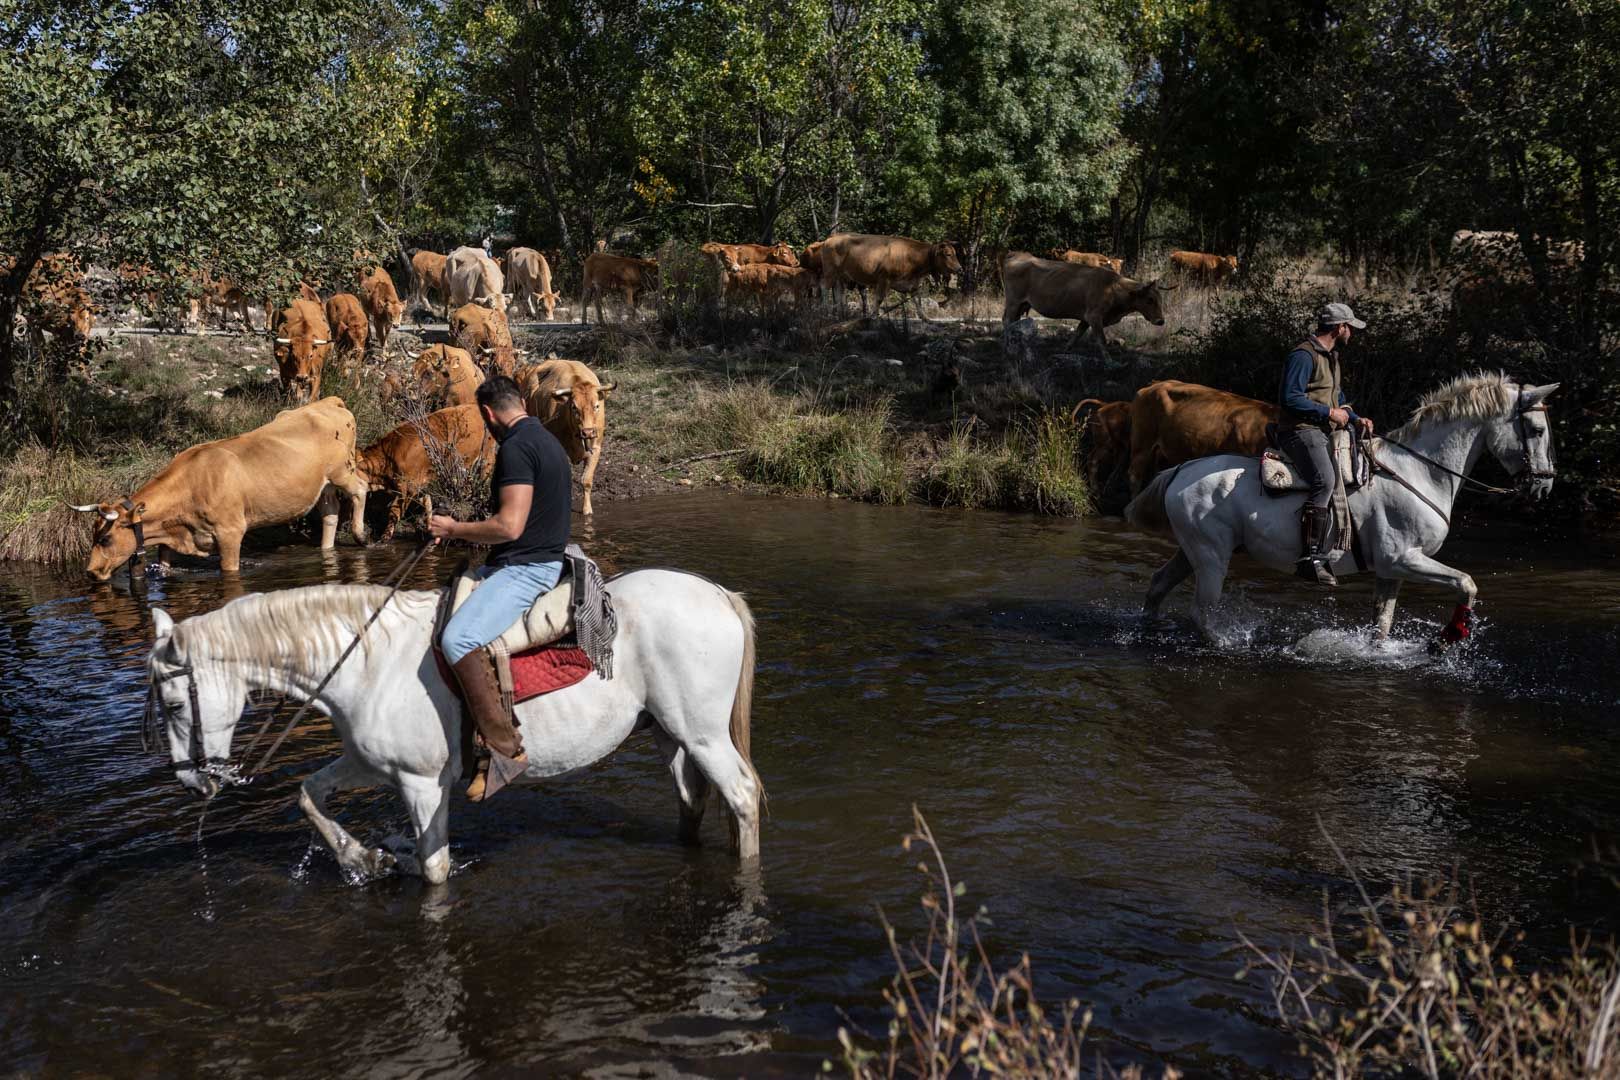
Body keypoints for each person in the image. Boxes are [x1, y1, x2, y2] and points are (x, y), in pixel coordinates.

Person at [430, 374, 573, 800]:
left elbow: (510, 526)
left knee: (457, 638)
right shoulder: (548, 441)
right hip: (538, 558)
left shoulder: (515, 448)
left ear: (489, 414)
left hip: (528, 569)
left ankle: (506, 750)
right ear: (523, 402)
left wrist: (454, 528)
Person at [1277, 302, 1374, 587]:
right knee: (1325, 481)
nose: (1351, 333)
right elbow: (1290, 398)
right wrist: (1329, 414)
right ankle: (1310, 558)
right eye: (1349, 327)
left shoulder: (1331, 356)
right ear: (1339, 327)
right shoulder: (1303, 356)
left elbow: (1336, 395)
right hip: (1300, 430)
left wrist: (1355, 418)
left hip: (1320, 428)